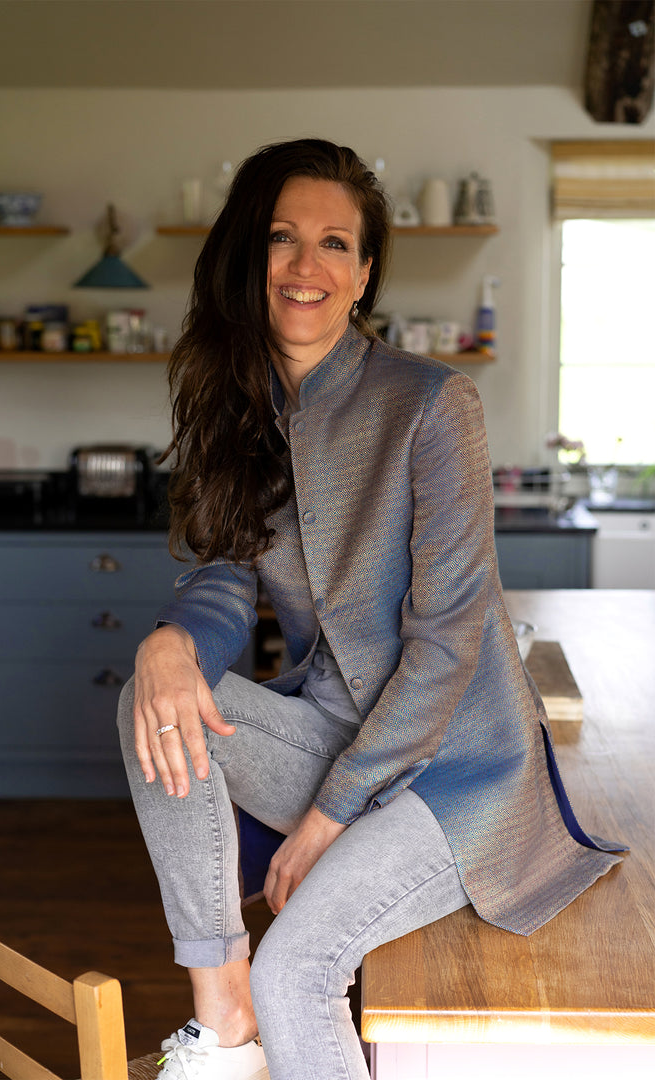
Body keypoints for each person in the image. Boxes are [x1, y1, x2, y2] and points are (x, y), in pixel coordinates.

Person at [117, 138, 624, 1080]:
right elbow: (226, 578)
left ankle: (254, 1006)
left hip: (454, 774)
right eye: (283, 239)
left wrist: (327, 817)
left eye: (336, 244)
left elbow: (445, 646)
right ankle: (221, 1025)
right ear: (249, 258)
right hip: (331, 733)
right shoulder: (241, 413)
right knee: (155, 696)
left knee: (300, 969)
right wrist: (172, 639)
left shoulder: (433, 405)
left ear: (364, 273)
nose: (307, 266)